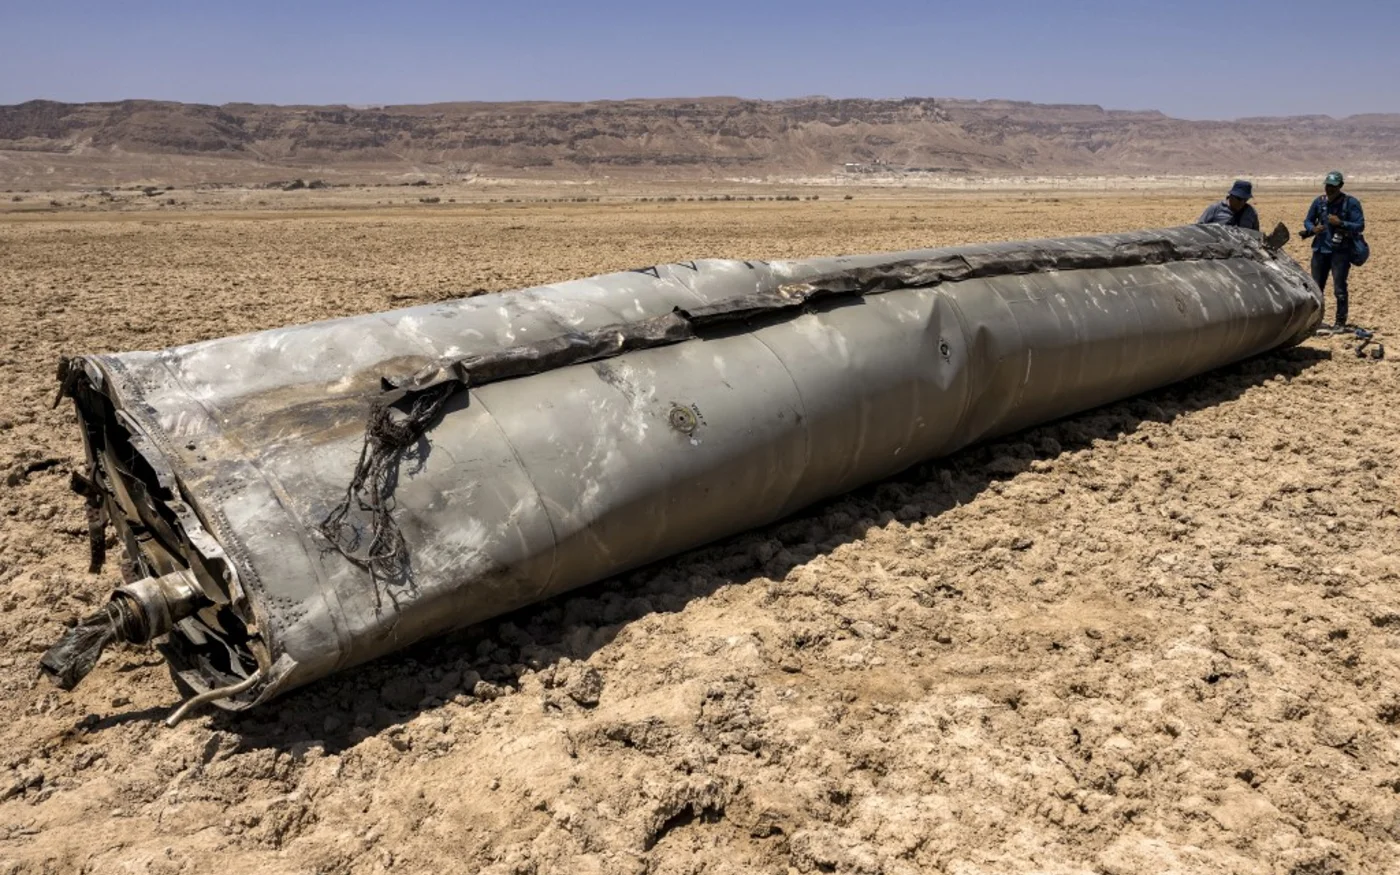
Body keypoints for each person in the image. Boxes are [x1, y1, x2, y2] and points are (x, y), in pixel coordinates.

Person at [1302, 170, 1365, 330]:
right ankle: (1315, 322)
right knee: (1316, 288)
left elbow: (1360, 225)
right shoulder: (1319, 202)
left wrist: (1341, 223)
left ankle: (1340, 322)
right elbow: (1308, 220)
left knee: (1339, 289)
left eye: (1333, 186)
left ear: (1341, 186)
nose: (1329, 189)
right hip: (1320, 250)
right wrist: (1312, 228)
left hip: (1340, 252)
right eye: (1328, 185)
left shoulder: (1351, 203)